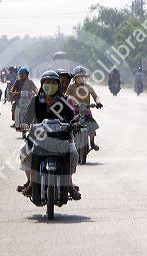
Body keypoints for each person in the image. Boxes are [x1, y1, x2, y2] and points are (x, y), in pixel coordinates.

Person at [17, 71, 81, 200]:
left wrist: (74, 124)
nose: (50, 85)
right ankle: (30, 182)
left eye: (53, 83)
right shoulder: (35, 101)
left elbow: (71, 117)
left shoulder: (64, 101)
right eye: (47, 83)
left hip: (61, 136)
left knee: (73, 154)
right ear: (42, 84)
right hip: (37, 136)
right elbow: (27, 117)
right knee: (24, 151)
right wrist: (24, 124)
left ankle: (69, 184)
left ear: (58, 85)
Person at [66, 66, 103, 151]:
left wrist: (98, 102)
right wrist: (66, 103)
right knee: (69, 126)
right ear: (75, 77)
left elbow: (95, 96)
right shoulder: (71, 86)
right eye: (79, 76)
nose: (81, 78)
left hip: (86, 111)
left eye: (83, 76)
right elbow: (66, 96)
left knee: (92, 126)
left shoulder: (88, 86)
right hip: (74, 111)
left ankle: (92, 143)